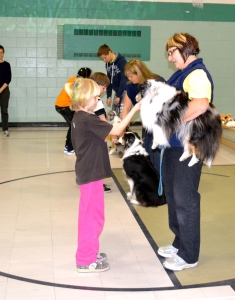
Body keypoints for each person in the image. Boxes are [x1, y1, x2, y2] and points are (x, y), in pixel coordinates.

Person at [65, 77, 140, 272]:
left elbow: (107, 135)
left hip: (89, 173)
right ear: (84, 98)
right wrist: (134, 109)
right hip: (90, 173)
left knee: (92, 215)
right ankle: (85, 259)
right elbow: (116, 130)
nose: (99, 101)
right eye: (95, 98)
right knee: (92, 218)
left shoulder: (80, 117)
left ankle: (89, 252)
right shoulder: (87, 119)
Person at [157, 33, 214, 271]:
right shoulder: (182, 74)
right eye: (168, 53)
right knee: (173, 196)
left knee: (185, 200)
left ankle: (189, 255)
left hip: (188, 147)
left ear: (186, 49)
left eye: (172, 52)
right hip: (174, 145)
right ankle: (179, 243)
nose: (170, 58)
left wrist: (172, 122)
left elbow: (200, 104)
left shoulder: (197, 73)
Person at [122, 59, 165, 172]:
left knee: (158, 155)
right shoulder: (131, 86)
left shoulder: (157, 82)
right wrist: (122, 129)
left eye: (131, 76)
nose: (129, 79)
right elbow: (126, 108)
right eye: (127, 76)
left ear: (139, 73)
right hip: (147, 126)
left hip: (160, 125)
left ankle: (162, 183)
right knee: (147, 153)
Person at [55, 68, 92, 155]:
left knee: (73, 125)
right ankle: (70, 148)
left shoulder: (73, 78)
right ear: (87, 76)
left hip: (61, 105)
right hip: (65, 106)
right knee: (74, 126)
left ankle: (68, 147)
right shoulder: (81, 83)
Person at [97, 44, 128, 117]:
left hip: (125, 90)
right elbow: (109, 81)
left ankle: (124, 128)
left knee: (122, 112)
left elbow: (124, 79)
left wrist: (118, 95)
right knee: (114, 113)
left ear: (109, 52)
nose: (104, 60)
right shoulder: (108, 64)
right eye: (102, 59)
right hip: (118, 91)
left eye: (105, 57)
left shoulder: (122, 62)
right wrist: (109, 96)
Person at [0, 45, 11, 137]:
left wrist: (0, 89)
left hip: (4, 90)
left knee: (4, 110)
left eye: (1, 52)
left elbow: (8, 79)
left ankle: (5, 129)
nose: (0, 54)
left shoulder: (7, 65)